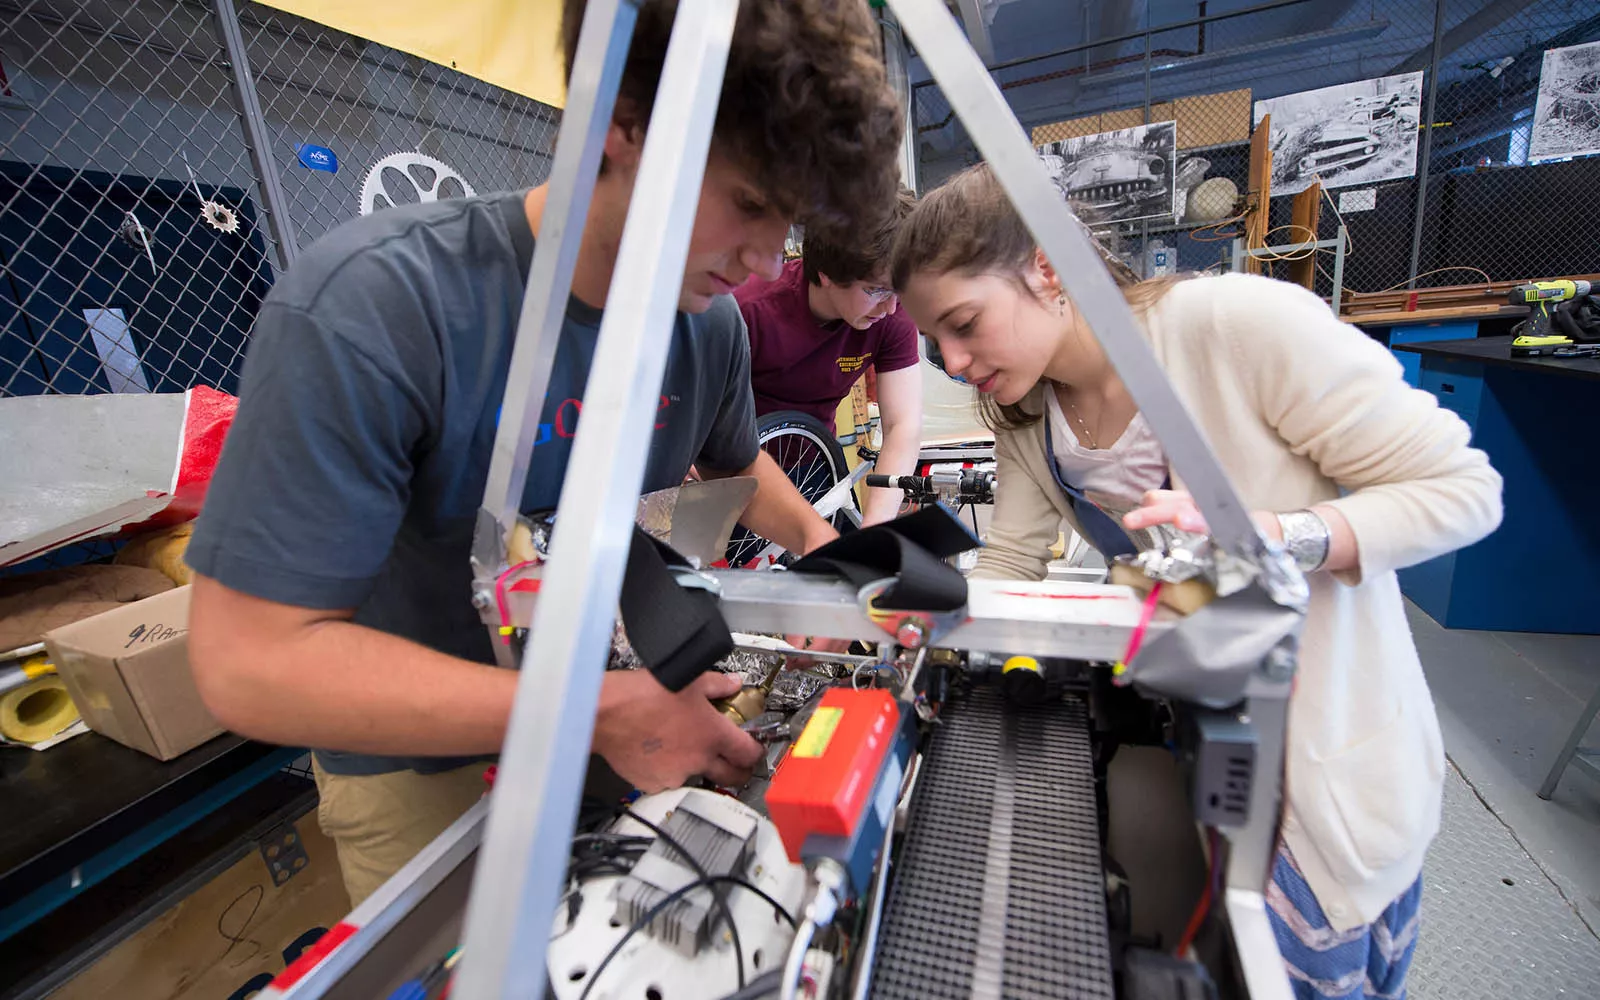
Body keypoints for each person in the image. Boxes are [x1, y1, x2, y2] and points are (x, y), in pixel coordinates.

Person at [185, 0, 904, 905]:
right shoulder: (374, 307)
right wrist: (596, 713)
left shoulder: (705, 323)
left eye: (787, 224)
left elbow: (733, 473)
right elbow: (248, 663)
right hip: (426, 766)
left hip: (616, 699)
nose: (767, 263)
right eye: (751, 205)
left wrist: (827, 559)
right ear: (616, 124)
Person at [890, 164, 1502, 1000]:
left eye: (964, 325)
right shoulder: (1032, 416)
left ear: (1047, 268)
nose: (954, 364)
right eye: (936, 344)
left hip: (1317, 769)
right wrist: (920, 626)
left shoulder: (1234, 327)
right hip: (1195, 741)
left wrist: (1274, 537)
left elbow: (1465, 490)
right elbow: (1008, 563)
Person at [734, 188, 923, 524]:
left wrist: (875, 529)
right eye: (876, 289)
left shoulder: (891, 314)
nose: (890, 306)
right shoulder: (748, 310)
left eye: (898, 290)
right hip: (735, 469)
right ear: (827, 273)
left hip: (816, 463)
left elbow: (902, 425)